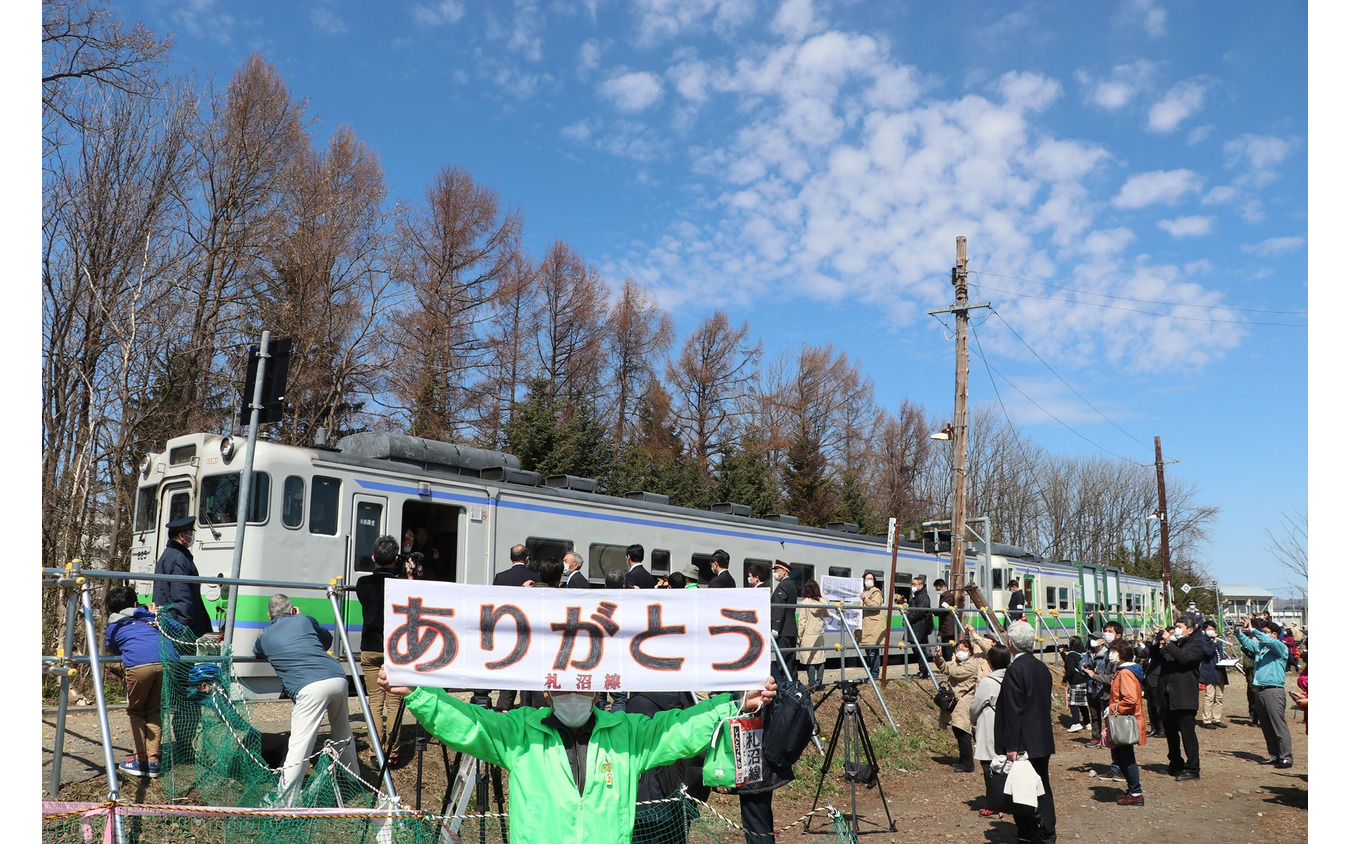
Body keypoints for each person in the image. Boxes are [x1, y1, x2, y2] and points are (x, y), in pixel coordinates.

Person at [378, 666, 777, 844]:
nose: (574, 697)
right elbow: (467, 723)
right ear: (547, 692)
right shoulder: (518, 732)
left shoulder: (628, 734)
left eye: (583, 687)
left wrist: (735, 703)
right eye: (563, 688)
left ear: (598, 691)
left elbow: (680, 728)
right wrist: (418, 693)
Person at [253, 594, 359, 806]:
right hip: (337, 678)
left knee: (299, 746)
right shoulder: (304, 619)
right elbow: (326, 640)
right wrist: (299, 618)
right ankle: (352, 782)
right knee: (343, 732)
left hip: (309, 688)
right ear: (293, 609)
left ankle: (284, 803)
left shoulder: (265, 637)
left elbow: (257, 653)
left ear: (268, 615)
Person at [994, 620, 1056, 844]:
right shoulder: (1042, 667)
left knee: (1023, 788)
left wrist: (1012, 745)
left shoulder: (1014, 670)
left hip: (1022, 742)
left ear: (1010, 644)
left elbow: (1013, 711)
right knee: (1043, 785)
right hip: (1041, 738)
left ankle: (1028, 833)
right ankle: (1048, 830)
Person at [105, 585, 170, 778]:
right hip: (164, 662)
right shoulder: (150, 617)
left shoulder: (114, 626)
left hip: (139, 666)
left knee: (135, 710)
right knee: (153, 710)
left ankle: (140, 758)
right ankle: (153, 760)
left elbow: (114, 648)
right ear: (135, 603)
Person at [355, 535, 404, 766]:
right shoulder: (403, 583)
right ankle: (392, 753)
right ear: (396, 558)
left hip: (370, 647)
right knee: (394, 701)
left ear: (374, 558)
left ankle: (376, 752)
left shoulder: (363, 583)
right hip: (395, 649)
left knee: (375, 700)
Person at [932, 624, 992, 773]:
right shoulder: (958, 662)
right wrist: (938, 658)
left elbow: (955, 673)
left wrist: (949, 663)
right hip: (955, 702)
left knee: (964, 732)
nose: (960, 651)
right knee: (958, 732)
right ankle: (963, 760)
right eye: (958, 649)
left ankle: (968, 764)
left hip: (963, 702)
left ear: (970, 651)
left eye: (964, 649)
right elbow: (945, 668)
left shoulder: (971, 664)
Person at [1236, 617, 1293, 768]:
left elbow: (1269, 642)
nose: (1261, 635)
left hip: (1274, 691)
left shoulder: (1280, 647)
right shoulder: (1261, 648)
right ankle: (1274, 755)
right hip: (1260, 690)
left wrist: (1254, 630)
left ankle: (1286, 757)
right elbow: (1248, 643)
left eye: (1265, 632)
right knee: (1267, 726)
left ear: (1274, 634)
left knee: (1278, 726)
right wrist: (1239, 632)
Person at [1159, 615, 1206, 780]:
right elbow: (1161, 658)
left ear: (1190, 630)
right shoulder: (1174, 645)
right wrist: (1159, 643)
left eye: (1180, 627)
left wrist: (1170, 644)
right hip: (1168, 696)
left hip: (1185, 697)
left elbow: (1184, 659)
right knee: (1171, 733)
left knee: (1188, 734)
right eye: (1175, 626)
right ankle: (1175, 763)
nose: (1176, 629)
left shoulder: (1196, 646)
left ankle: (1193, 768)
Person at [152, 517, 214, 639]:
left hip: (171, 620)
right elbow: (181, 594)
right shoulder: (179, 558)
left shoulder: (169, 554)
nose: (192, 536)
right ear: (182, 536)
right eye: (191, 533)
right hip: (179, 626)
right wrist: (183, 628)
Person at [969, 643, 1011, 819]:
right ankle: (1009, 801)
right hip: (1010, 728)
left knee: (990, 767)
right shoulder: (1013, 678)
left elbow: (975, 707)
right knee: (1007, 766)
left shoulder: (988, 682)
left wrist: (972, 721)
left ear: (990, 662)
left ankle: (994, 806)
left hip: (990, 729)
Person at [495, 544, 536, 711]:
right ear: (527, 559)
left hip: (507, 632)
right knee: (527, 670)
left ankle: (505, 708)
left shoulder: (500, 577)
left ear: (510, 558)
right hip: (528, 632)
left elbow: (495, 604)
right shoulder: (535, 577)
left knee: (509, 671)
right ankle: (526, 707)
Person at [1107, 638, 1146, 806]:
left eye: (1113, 651)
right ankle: (1132, 789)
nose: (1111, 654)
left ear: (1122, 654)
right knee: (1120, 755)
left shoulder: (1125, 673)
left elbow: (1130, 699)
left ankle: (1136, 792)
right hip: (1123, 719)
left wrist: (1113, 709)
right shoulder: (1125, 671)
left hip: (1124, 720)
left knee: (1126, 756)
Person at [797, 580, 829, 690]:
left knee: (809, 660)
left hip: (808, 634)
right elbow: (826, 613)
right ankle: (819, 683)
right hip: (819, 633)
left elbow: (802, 621)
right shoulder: (821, 602)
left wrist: (799, 636)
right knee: (820, 659)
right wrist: (823, 598)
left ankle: (811, 684)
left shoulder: (805, 602)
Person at [770, 561, 798, 679]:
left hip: (783, 630)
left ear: (785, 572)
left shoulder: (783, 586)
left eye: (777, 570)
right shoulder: (792, 585)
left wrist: (776, 628)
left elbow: (779, 608)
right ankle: (793, 686)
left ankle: (786, 688)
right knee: (791, 662)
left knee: (783, 662)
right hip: (791, 629)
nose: (775, 573)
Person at [1081, 636, 1111, 747]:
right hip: (1090, 687)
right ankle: (1096, 737)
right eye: (1091, 638)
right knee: (1094, 715)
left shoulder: (1107, 654)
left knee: (1106, 715)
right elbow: (1080, 664)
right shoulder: (1089, 653)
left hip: (1103, 688)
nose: (1092, 641)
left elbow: (1108, 672)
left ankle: (1108, 738)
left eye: (1095, 638)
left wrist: (1095, 671)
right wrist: (1083, 667)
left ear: (1102, 641)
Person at [1198, 620, 1228, 727]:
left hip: (1220, 671)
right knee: (1209, 696)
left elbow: (1220, 654)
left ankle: (1216, 718)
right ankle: (1207, 719)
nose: (1211, 631)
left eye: (1213, 629)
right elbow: (1208, 652)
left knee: (1219, 696)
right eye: (1209, 629)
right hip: (1209, 671)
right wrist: (1213, 642)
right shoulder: (1202, 641)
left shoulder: (1217, 642)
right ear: (1204, 630)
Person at [1059, 636, 1091, 733]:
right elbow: (1069, 662)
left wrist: (1064, 680)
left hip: (1075, 681)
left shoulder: (1071, 655)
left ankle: (1076, 723)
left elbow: (1070, 669)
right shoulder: (1082, 654)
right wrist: (1062, 653)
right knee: (1082, 704)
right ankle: (1087, 722)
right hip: (1084, 680)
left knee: (1073, 703)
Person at [905, 575, 934, 677]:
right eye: (912, 584)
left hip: (919, 628)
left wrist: (908, 618)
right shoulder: (916, 596)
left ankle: (924, 671)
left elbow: (919, 612)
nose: (912, 586)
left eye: (914, 584)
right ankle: (922, 669)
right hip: (915, 627)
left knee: (920, 649)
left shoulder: (923, 597)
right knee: (917, 649)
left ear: (921, 585)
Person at [860, 573, 887, 678]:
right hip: (866, 625)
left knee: (873, 651)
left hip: (874, 626)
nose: (869, 580)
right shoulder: (863, 591)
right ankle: (871, 674)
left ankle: (874, 674)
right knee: (868, 651)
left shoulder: (876, 592)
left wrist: (864, 599)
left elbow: (875, 606)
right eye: (867, 578)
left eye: (871, 578)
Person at [934, 578, 958, 660]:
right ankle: (947, 667)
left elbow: (942, 609)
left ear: (944, 586)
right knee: (945, 649)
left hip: (948, 628)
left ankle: (951, 666)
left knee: (949, 649)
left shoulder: (948, 596)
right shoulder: (943, 596)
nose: (938, 590)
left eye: (939, 588)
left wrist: (934, 612)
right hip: (944, 627)